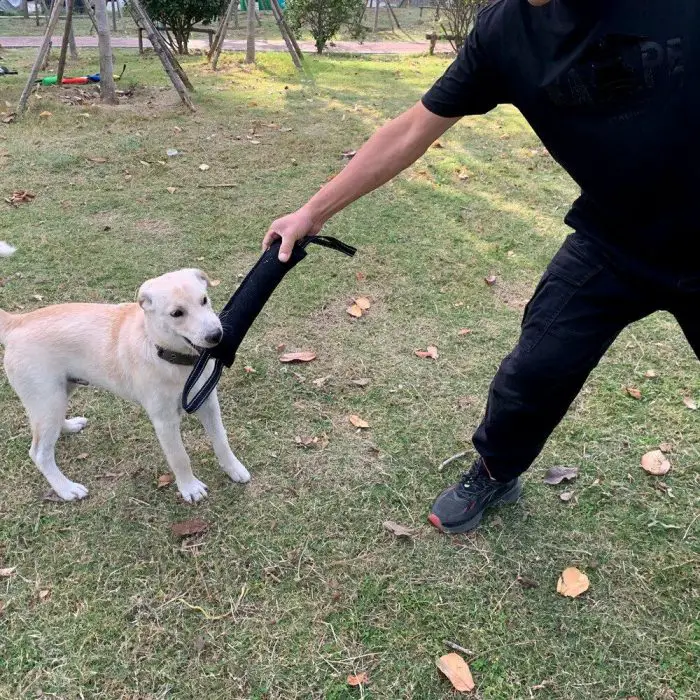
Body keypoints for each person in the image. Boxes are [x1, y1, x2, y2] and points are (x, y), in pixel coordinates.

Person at [262, 0, 699, 533]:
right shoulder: (503, 34)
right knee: (535, 371)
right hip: (613, 241)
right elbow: (410, 130)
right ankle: (497, 471)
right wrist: (311, 212)